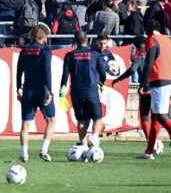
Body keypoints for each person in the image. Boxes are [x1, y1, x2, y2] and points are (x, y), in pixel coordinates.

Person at [59, 30, 107, 147]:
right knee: (97, 118)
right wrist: (101, 84)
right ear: (87, 40)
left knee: (81, 120)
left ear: (75, 41)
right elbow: (103, 73)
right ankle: (94, 137)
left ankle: (84, 147)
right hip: (91, 90)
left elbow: (65, 75)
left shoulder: (69, 55)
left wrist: (62, 93)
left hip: (76, 92)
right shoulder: (95, 55)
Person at [16, 25, 55, 162]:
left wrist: (18, 89)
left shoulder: (24, 51)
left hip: (27, 90)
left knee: (25, 125)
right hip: (42, 90)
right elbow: (47, 72)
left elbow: (19, 72)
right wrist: (50, 91)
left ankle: (24, 154)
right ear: (44, 36)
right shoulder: (45, 51)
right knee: (51, 120)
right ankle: (44, 149)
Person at [136, 18, 171, 159]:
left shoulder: (151, 40)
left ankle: (149, 152)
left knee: (162, 117)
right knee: (156, 118)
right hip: (169, 79)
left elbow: (148, 64)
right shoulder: (166, 39)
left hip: (159, 80)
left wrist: (142, 84)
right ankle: (148, 152)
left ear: (147, 29)